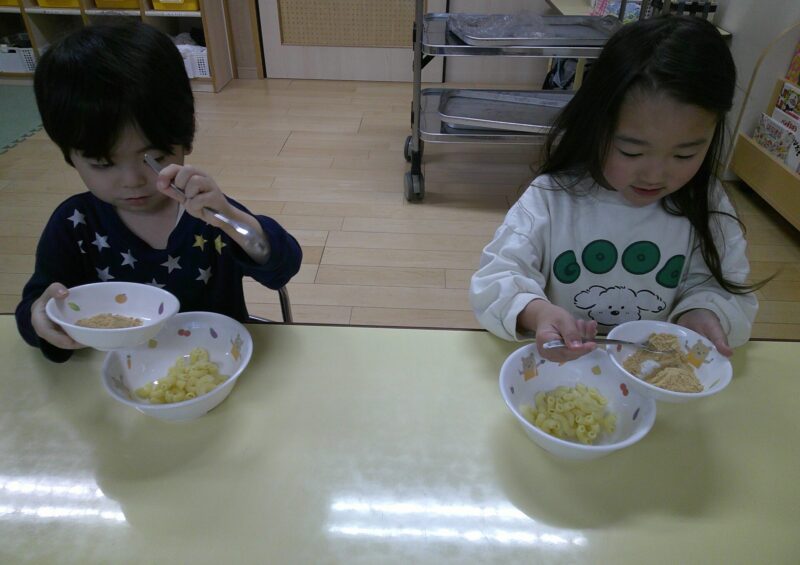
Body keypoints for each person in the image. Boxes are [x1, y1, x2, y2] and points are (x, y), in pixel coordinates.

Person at [470, 15, 765, 363]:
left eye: (684, 154)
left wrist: (704, 312)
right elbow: (497, 278)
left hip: (651, 372)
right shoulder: (552, 196)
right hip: (564, 370)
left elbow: (725, 289)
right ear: (597, 126)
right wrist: (537, 313)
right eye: (631, 152)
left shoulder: (708, 205)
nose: (655, 175)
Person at [16, 22, 302, 362]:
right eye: (102, 163)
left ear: (185, 137)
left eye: (153, 159)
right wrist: (41, 317)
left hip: (214, 365)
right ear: (69, 155)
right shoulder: (73, 224)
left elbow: (283, 266)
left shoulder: (207, 215)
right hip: (117, 372)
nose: (132, 180)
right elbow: (36, 308)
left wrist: (230, 217)